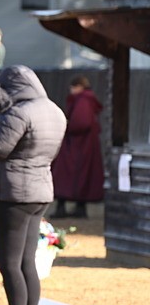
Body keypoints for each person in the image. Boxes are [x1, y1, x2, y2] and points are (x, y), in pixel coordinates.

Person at [0, 65, 66, 305]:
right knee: (27, 262)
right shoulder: (54, 110)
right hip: (41, 190)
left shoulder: (19, 112)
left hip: (14, 192)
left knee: (8, 262)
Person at [50, 75, 104, 218]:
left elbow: (81, 122)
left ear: (79, 87)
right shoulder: (87, 100)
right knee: (81, 176)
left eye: (73, 87)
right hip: (84, 145)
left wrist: (67, 126)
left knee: (65, 174)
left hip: (77, 145)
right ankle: (79, 207)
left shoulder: (83, 101)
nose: (71, 90)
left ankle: (63, 207)